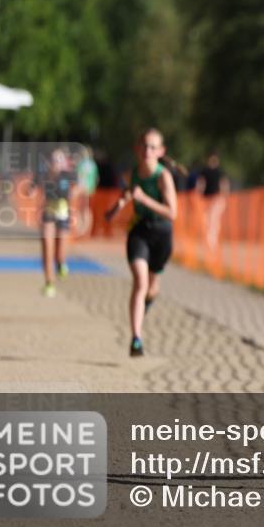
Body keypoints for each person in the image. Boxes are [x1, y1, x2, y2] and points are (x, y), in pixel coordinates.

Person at [105, 129, 178, 357]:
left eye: (153, 147)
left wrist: (144, 199)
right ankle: (136, 338)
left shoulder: (163, 177)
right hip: (139, 231)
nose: (148, 150)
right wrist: (115, 209)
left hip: (162, 234)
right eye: (144, 146)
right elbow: (128, 194)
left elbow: (172, 212)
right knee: (140, 282)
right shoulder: (132, 174)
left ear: (161, 151)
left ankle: (144, 309)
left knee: (152, 287)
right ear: (137, 149)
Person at [38, 148, 80, 297]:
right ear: (49, 162)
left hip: (63, 214)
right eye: (53, 160)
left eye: (59, 160)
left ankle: (62, 263)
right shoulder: (43, 176)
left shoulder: (68, 175)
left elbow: (78, 188)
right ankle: (49, 283)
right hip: (48, 214)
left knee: (59, 253)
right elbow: (32, 189)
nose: (56, 163)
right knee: (46, 249)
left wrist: (74, 195)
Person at [196, 150, 230, 250]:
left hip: (217, 199)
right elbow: (201, 184)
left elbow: (224, 184)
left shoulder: (220, 172)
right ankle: (208, 240)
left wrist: (224, 196)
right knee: (206, 220)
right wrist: (199, 193)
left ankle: (212, 242)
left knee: (213, 220)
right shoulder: (204, 171)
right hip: (206, 199)